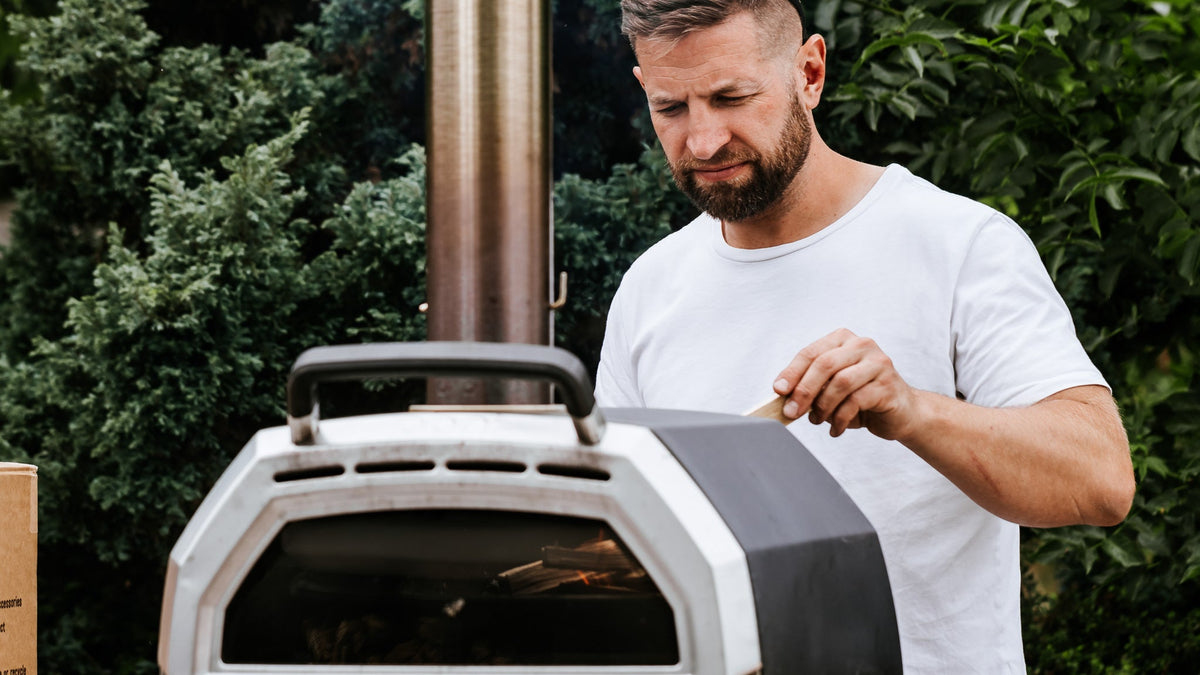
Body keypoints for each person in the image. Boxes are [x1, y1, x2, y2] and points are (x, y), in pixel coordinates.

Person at [594, 0, 1136, 671]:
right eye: (671, 108)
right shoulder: (650, 288)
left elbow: (1100, 479)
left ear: (809, 74)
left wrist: (913, 411)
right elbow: (615, 533)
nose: (703, 141)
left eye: (732, 98)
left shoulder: (959, 245)